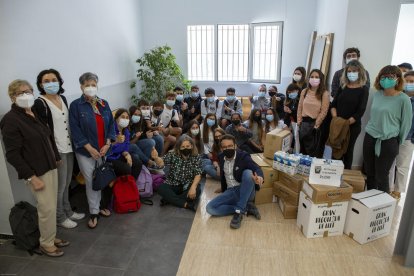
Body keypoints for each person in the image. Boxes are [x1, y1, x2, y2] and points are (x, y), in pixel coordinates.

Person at [1, 79, 69, 257]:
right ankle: (46, 244)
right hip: (37, 172)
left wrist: (55, 157)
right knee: (46, 208)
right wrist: (31, 177)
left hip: (49, 166)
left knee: (50, 206)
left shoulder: (31, 113)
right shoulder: (10, 120)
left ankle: (50, 236)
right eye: (21, 92)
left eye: (29, 91)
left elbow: (46, 136)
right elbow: (13, 155)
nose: (27, 95)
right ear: (12, 96)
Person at [32, 69, 85, 229]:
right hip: (57, 150)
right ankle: (60, 217)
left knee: (68, 182)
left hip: (69, 147)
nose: (50, 83)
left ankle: (68, 211)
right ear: (40, 84)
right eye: (46, 81)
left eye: (53, 79)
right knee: (59, 186)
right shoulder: (39, 103)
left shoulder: (62, 98)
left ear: (59, 81)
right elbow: (43, 132)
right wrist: (54, 153)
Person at [69, 72, 115, 229]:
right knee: (91, 181)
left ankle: (101, 206)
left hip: (103, 149)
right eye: (87, 85)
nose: (90, 87)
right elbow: (75, 129)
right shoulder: (76, 105)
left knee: (101, 177)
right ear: (81, 87)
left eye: (93, 85)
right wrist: (89, 148)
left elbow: (111, 126)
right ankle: (94, 212)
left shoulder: (104, 104)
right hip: (85, 151)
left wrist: (108, 144)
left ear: (97, 86)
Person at [363, 65, 412, 193]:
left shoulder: (404, 99)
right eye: (383, 77)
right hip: (370, 136)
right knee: (370, 173)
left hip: (388, 140)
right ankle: (370, 199)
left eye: (390, 76)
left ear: (397, 79)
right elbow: (373, 116)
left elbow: (406, 124)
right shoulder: (377, 94)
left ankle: (382, 206)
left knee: (382, 176)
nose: (386, 79)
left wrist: (397, 141)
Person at [206, 134, 264, 229]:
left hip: (245, 189)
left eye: (230, 146)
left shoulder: (243, 156)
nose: (227, 148)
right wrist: (222, 189)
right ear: (221, 148)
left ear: (235, 146)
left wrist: (260, 177)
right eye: (224, 147)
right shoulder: (221, 157)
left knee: (248, 173)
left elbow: (256, 168)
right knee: (210, 208)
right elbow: (225, 176)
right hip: (231, 191)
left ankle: (239, 211)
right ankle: (246, 207)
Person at [100, 109, 143, 213]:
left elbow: (126, 145)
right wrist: (115, 142)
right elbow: (105, 149)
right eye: (122, 117)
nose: (125, 119)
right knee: (126, 168)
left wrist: (126, 154)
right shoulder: (110, 130)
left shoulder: (126, 131)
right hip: (109, 158)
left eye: (127, 118)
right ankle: (119, 192)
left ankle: (129, 188)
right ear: (116, 118)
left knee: (137, 162)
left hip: (120, 155)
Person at [330, 60, 369, 169]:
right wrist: (336, 120)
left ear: (360, 72)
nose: (351, 73)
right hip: (338, 124)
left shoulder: (363, 89)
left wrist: (346, 123)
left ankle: (346, 176)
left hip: (352, 126)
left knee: (347, 151)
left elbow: (360, 111)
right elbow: (333, 105)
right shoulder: (343, 86)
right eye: (349, 71)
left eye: (354, 71)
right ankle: (333, 173)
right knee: (336, 149)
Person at [157, 135, 203, 211]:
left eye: (188, 146)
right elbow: (161, 163)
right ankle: (185, 204)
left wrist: (193, 188)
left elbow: (198, 174)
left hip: (188, 184)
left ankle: (169, 199)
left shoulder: (196, 157)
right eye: (183, 147)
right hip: (173, 183)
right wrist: (156, 158)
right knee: (161, 188)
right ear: (179, 147)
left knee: (197, 190)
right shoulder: (173, 154)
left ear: (191, 146)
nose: (185, 148)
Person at [390, 70, 414, 199]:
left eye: (412, 81)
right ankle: (387, 188)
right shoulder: (398, 97)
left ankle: (397, 191)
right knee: (389, 163)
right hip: (392, 135)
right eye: (407, 81)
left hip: (408, 138)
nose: (409, 84)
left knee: (402, 166)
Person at [297, 69, 330, 157]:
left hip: (315, 126)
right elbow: (300, 107)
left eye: (316, 77)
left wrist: (316, 125)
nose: (314, 79)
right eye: (312, 77)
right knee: (303, 152)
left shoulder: (324, 93)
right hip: (303, 125)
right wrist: (299, 122)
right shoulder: (304, 91)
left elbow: (324, 111)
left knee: (313, 153)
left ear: (321, 79)